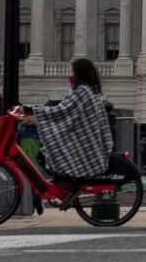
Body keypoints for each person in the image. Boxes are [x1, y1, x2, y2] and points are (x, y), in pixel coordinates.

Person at [25, 57, 114, 185]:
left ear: (79, 73)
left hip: (81, 141)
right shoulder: (88, 90)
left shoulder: (83, 91)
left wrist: (33, 110)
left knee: (45, 155)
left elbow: (61, 111)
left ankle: (65, 185)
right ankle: (66, 184)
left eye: (72, 72)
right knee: (49, 153)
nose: (69, 75)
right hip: (83, 139)